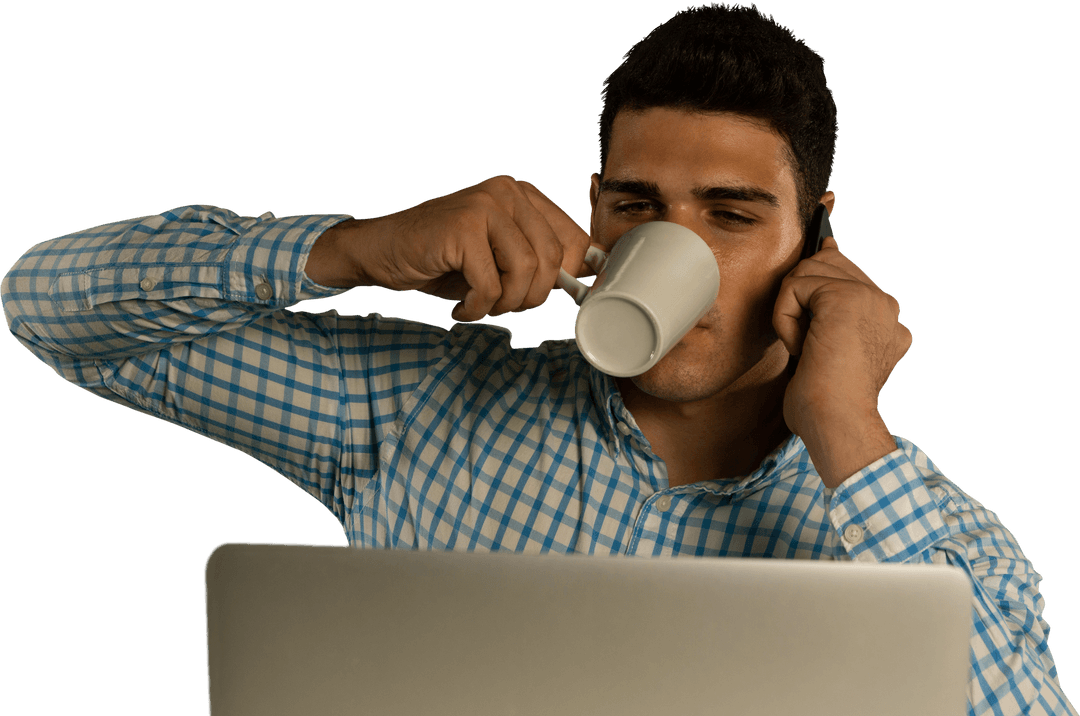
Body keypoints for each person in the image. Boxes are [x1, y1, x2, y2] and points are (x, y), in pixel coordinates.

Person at [2, 3, 1075, 714]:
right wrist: (352, 249)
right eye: (637, 204)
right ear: (597, 212)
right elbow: (48, 307)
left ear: (819, 241)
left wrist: (844, 427)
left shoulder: (931, 539)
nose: (677, 250)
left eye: (732, 214)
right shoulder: (416, 405)